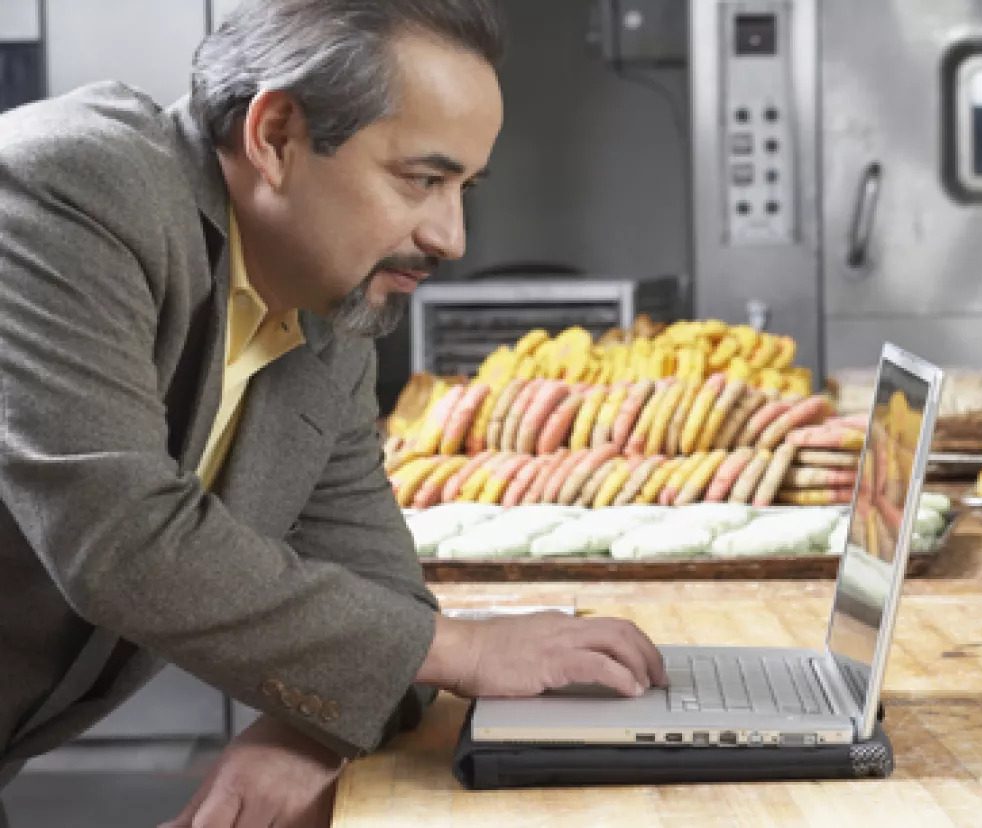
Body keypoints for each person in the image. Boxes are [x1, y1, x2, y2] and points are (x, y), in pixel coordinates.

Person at [0, 1, 666, 825]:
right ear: (276, 136)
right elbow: (119, 535)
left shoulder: (325, 316)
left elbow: (380, 589)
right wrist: (465, 650)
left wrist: (309, 732)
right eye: (422, 180)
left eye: (464, 186)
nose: (452, 236)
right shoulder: (66, 188)